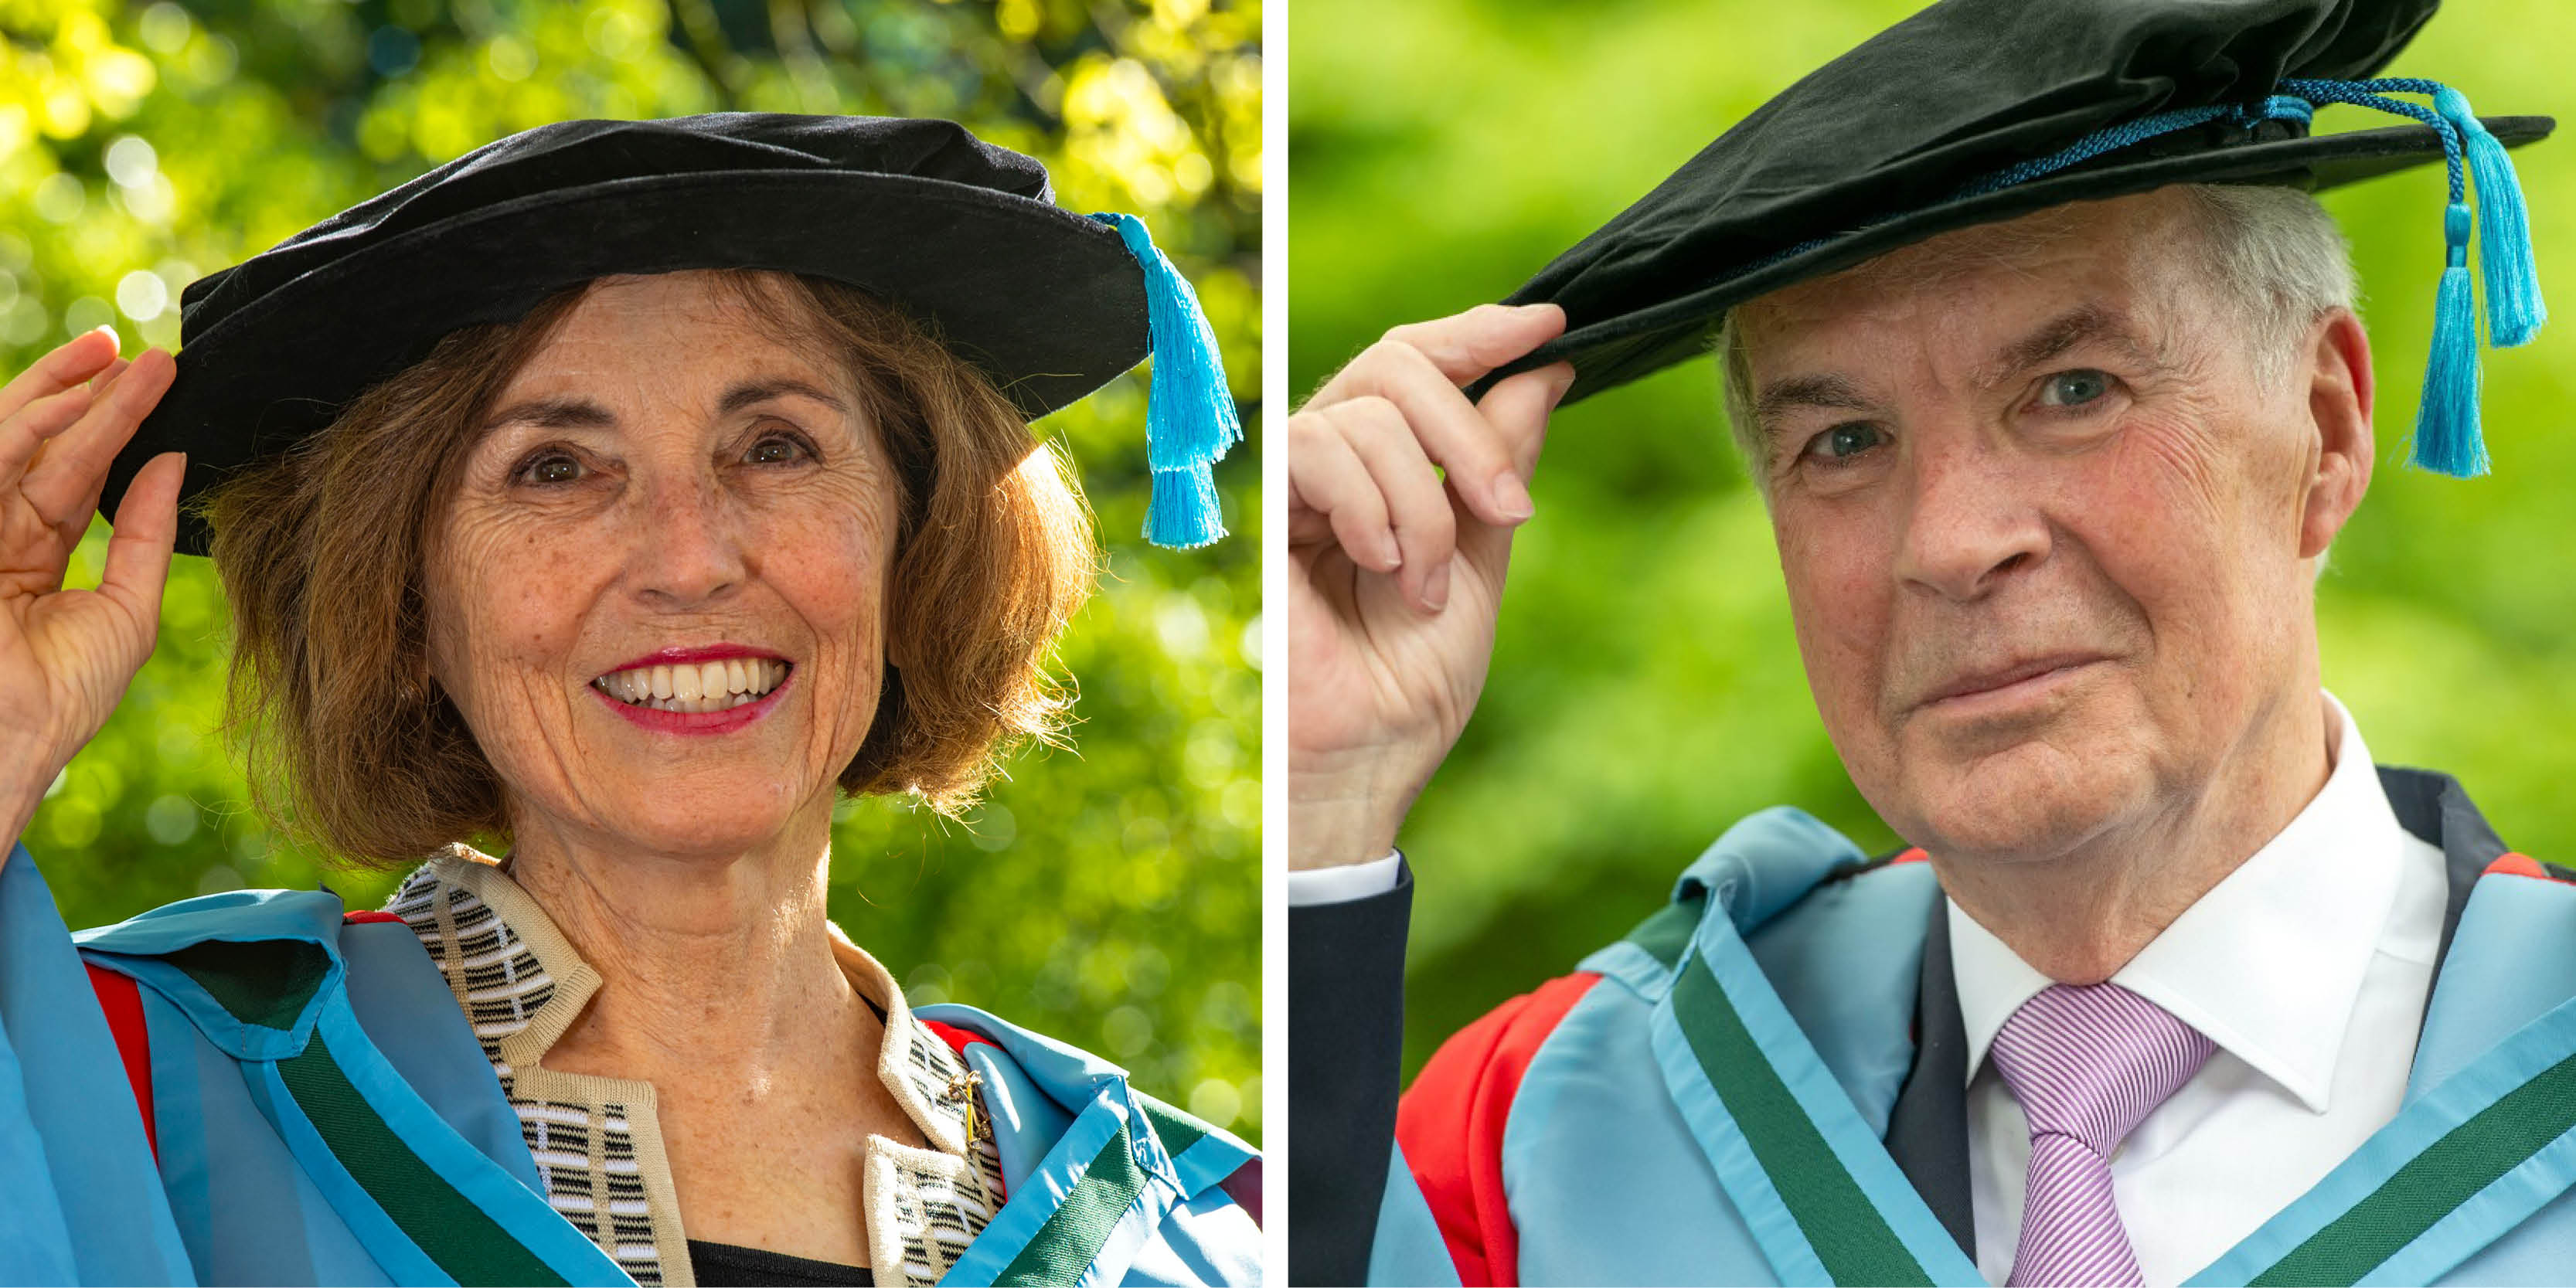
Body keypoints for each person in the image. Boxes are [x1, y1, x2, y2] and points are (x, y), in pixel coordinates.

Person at [1286, 0, 2572, 1284]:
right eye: (1842, 443)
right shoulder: (1529, 1150)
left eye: (2074, 392)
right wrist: (1313, 797)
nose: (1951, 543)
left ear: (2324, 429)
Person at [2, 114, 1256, 1287]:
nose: (690, 557)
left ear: (914, 539)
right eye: (555, 467)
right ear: (400, 601)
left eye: (775, 447)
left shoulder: (1192, 1228)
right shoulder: (127, 1084)